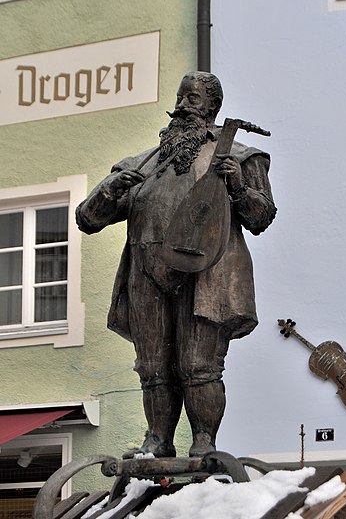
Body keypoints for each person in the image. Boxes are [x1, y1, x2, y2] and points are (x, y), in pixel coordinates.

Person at [76, 71, 276, 457]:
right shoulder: (142, 164)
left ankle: (204, 440)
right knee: (152, 367)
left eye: (194, 99)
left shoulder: (240, 156)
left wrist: (236, 186)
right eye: (181, 97)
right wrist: (109, 189)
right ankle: (158, 440)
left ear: (213, 108)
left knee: (198, 365)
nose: (183, 106)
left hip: (206, 272)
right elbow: (88, 219)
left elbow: (261, 218)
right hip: (146, 273)